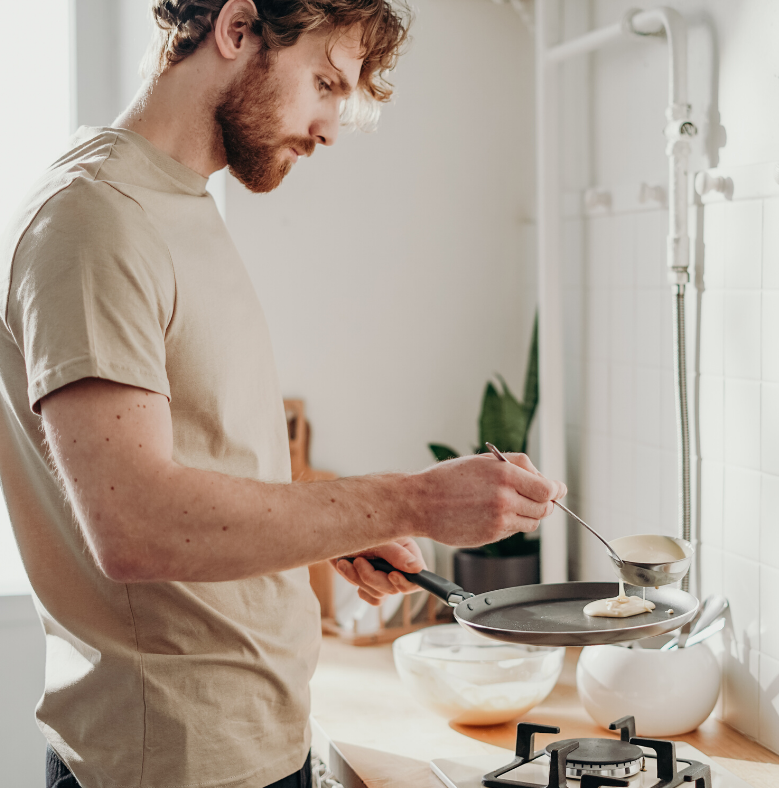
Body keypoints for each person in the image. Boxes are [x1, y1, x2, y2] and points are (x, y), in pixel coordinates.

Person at [0, 2, 566, 787]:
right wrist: (409, 503)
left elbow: (201, 462)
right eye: (324, 82)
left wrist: (329, 533)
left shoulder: (175, 202)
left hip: (250, 744)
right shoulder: (97, 219)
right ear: (236, 30)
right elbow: (133, 523)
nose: (330, 127)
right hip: (170, 765)